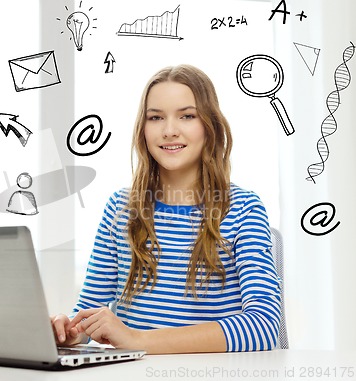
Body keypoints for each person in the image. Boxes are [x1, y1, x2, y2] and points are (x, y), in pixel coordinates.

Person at [51, 64, 281, 354]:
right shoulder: (121, 208)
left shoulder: (244, 209)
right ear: (143, 129)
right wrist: (71, 331)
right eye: (156, 117)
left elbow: (263, 326)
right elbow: (88, 313)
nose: (169, 130)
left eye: (187, 116)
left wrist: (138, 341)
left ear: (210, 127)